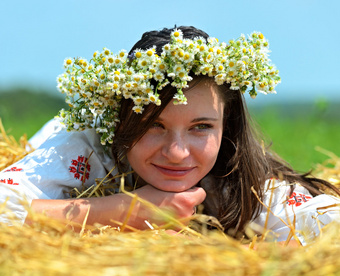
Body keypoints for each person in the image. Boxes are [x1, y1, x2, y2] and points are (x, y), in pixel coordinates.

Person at [1, 26, 339, 245]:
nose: (177, 153)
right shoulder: (85, 149)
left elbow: (329, 228)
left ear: (227, 126)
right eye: (153, 126)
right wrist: (123, 210)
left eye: (201, 127)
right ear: (120, 124)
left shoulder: (248, 183)